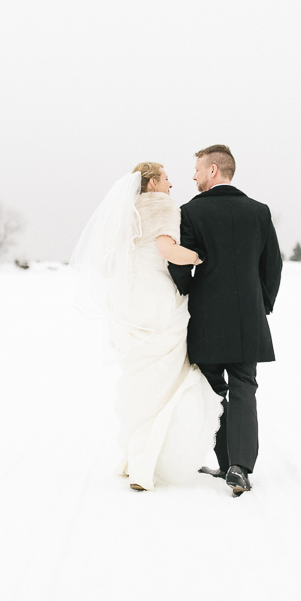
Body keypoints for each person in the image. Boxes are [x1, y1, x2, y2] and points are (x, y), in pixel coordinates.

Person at [70, 162, 222, 492]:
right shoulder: (162, 205)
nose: (171, 186)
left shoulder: (127, 210)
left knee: (139, 375)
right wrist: (199, 258)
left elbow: (112, 259)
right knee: (164, 379)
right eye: (166, 179)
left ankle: (134, 456)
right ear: (152, 183)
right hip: (156, 297)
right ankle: (143, 464)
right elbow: (167, 249)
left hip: (127, 298)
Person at [168, 145, 282, 496]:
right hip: (248, 317)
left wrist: (187, 291)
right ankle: (240, 468)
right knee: (245, 387)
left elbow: (179, 262)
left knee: (214, 390)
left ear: (214, 170)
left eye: (198, 169)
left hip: (207, 317)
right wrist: (260, 303)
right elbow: (273, 266)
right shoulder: (259, 212)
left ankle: (226, 461)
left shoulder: (190, 211)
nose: (193, 176)